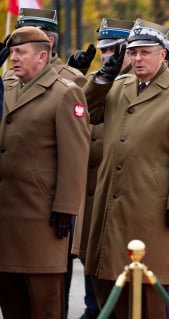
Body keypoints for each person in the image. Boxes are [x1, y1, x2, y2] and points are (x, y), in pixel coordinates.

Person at [83, 18, 169, 318]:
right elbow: (86, 113)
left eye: (145, 52)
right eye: (133, 52)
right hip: (110, 205)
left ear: (163, 54)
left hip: (150, 208)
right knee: (107, 285)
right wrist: (100, 79)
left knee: (149, 292)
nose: (137, 58)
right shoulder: (118, 85)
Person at [0, 26, 90, 319]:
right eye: (12, 52)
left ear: (42, 55)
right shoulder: (7, 85)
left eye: (20, 52)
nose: (13, 58)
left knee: (44, 303)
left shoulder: (65, 93)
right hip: (7, 214)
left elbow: (75, 156)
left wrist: (66, 208)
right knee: (11, 301)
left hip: (42, 218)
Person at [70, 17, 135, 319]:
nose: (106, 56)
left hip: (123, 188)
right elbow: (79, 110)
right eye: (104, 50)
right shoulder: (98, 80)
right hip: (90, 187)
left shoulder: (138, 84)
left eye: (112, 50)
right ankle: (93, 307)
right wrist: (85, 72)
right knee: (90, 255)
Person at [4, 8, 87, 87]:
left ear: (49, 42)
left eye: (27, 39)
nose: (13, 58)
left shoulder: (72, 78)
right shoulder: (9, 75)